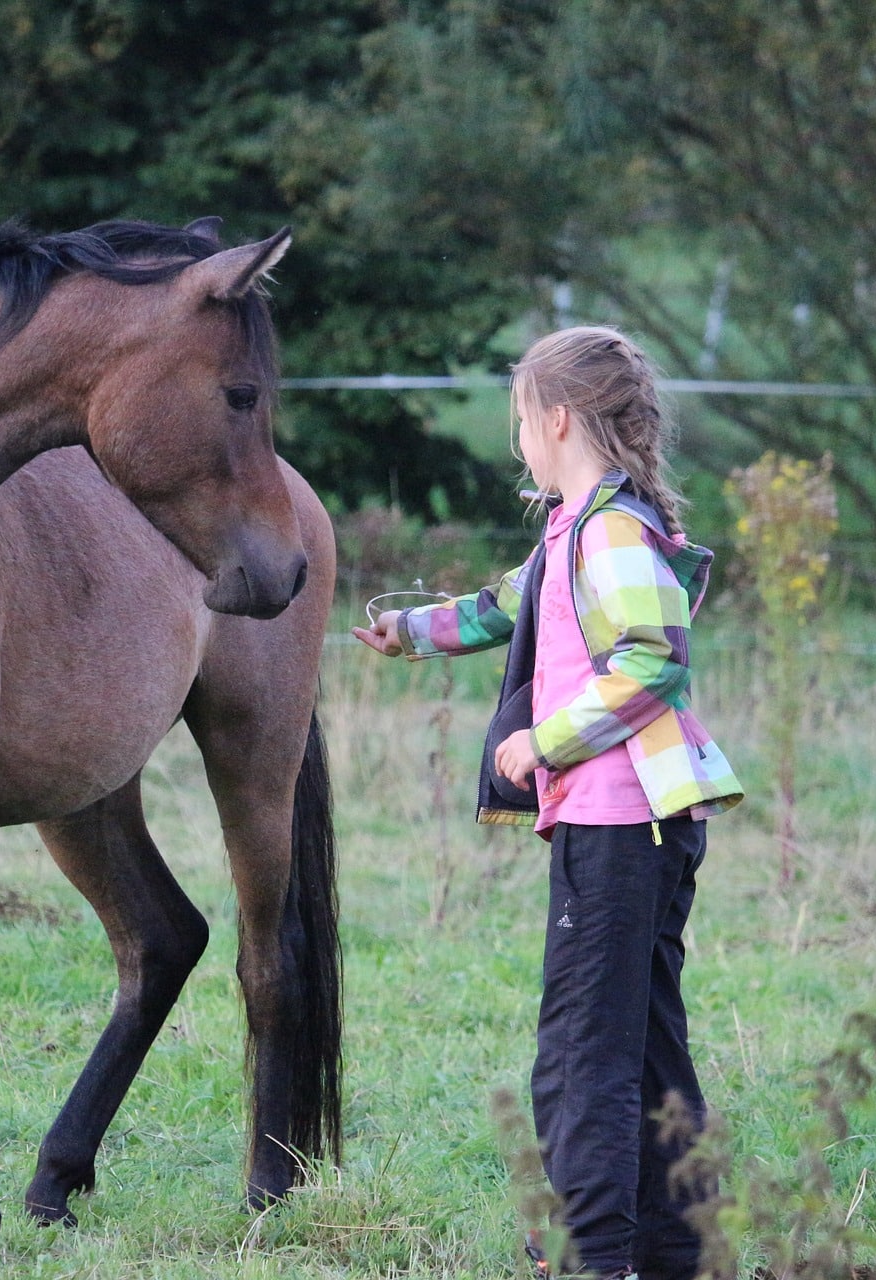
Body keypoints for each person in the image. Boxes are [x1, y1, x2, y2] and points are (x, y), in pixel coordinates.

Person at [353, 326, 744, 1280]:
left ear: (558, 419)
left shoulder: (610, 530)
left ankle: (590, 1259)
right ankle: (680, 1256)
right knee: (643, 1048)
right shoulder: (578, 526)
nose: (516, 439)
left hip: (620, 821)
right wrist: (411, 632)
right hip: (639, 821)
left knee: (581, 1058)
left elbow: (654, 658)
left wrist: (544, 738)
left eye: (521, 419)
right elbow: (505, 607)